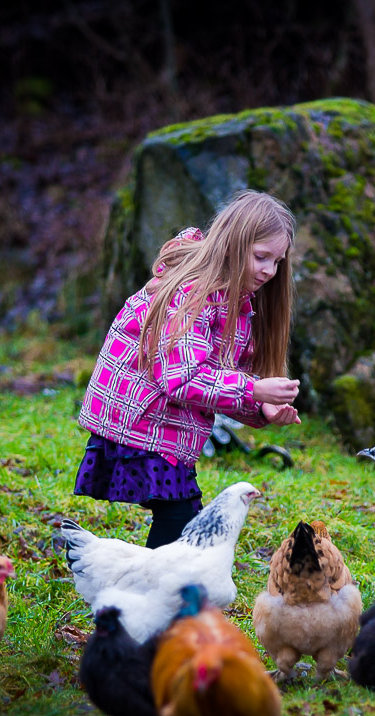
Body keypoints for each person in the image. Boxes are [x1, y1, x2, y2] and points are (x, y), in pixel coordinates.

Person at [73, 190, 301, 548]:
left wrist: (260, 407)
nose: (270, 272)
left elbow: (221, 376)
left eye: (277, 262)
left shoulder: (237, 302)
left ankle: (155, 589)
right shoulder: (194, 293)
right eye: (261, 257)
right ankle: (153, 592)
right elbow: (182, 380)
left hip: (169, 424)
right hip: (140, 418)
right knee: (180, 516)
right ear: (232, 244)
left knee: (179, 515)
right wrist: (253, 391)